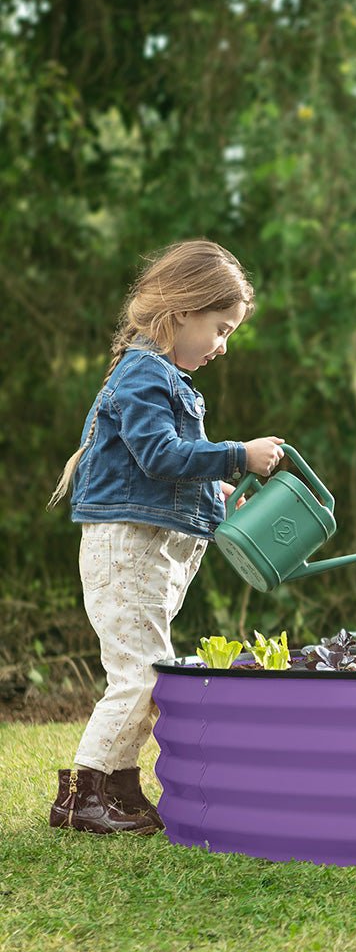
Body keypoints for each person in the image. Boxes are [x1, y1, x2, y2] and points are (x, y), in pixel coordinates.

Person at [46, 240, 285, 833]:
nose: (223, 345)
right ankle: (82, 796)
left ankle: (121, 790)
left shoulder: (163, 377)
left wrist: (215, 494)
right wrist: (237, 456)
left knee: (145, 670)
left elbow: (162, 469)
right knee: (140, 674)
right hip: (129, 548)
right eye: (221, 327)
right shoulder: (143, 375)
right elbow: (159, 455)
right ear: (182, 311)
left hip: (151, 550)